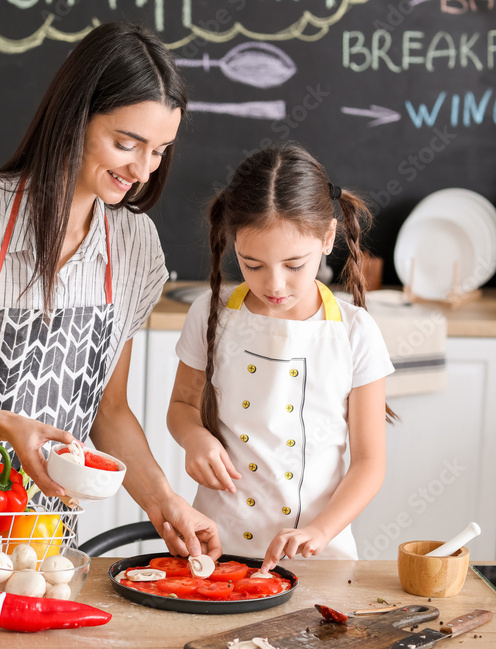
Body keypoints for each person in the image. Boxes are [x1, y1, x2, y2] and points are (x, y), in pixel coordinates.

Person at [0, 22, 221, 559]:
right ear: (76, 117)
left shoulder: (134, 245)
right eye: (126, 144)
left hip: (45, 541)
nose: (142, 171)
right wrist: (9, 428)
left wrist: (164, 501)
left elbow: (108, 409)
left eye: (159, 151)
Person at [167, 143, 395, 571]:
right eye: (252, 264)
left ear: (328, 238)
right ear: (233, 241)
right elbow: (181, 406)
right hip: (220, 548)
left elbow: (369, 462)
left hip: (318, 556)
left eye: (294, 265)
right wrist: (193, 438)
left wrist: (319, 531)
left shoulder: (355, 332)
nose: (274, 284)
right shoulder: (209, 315)